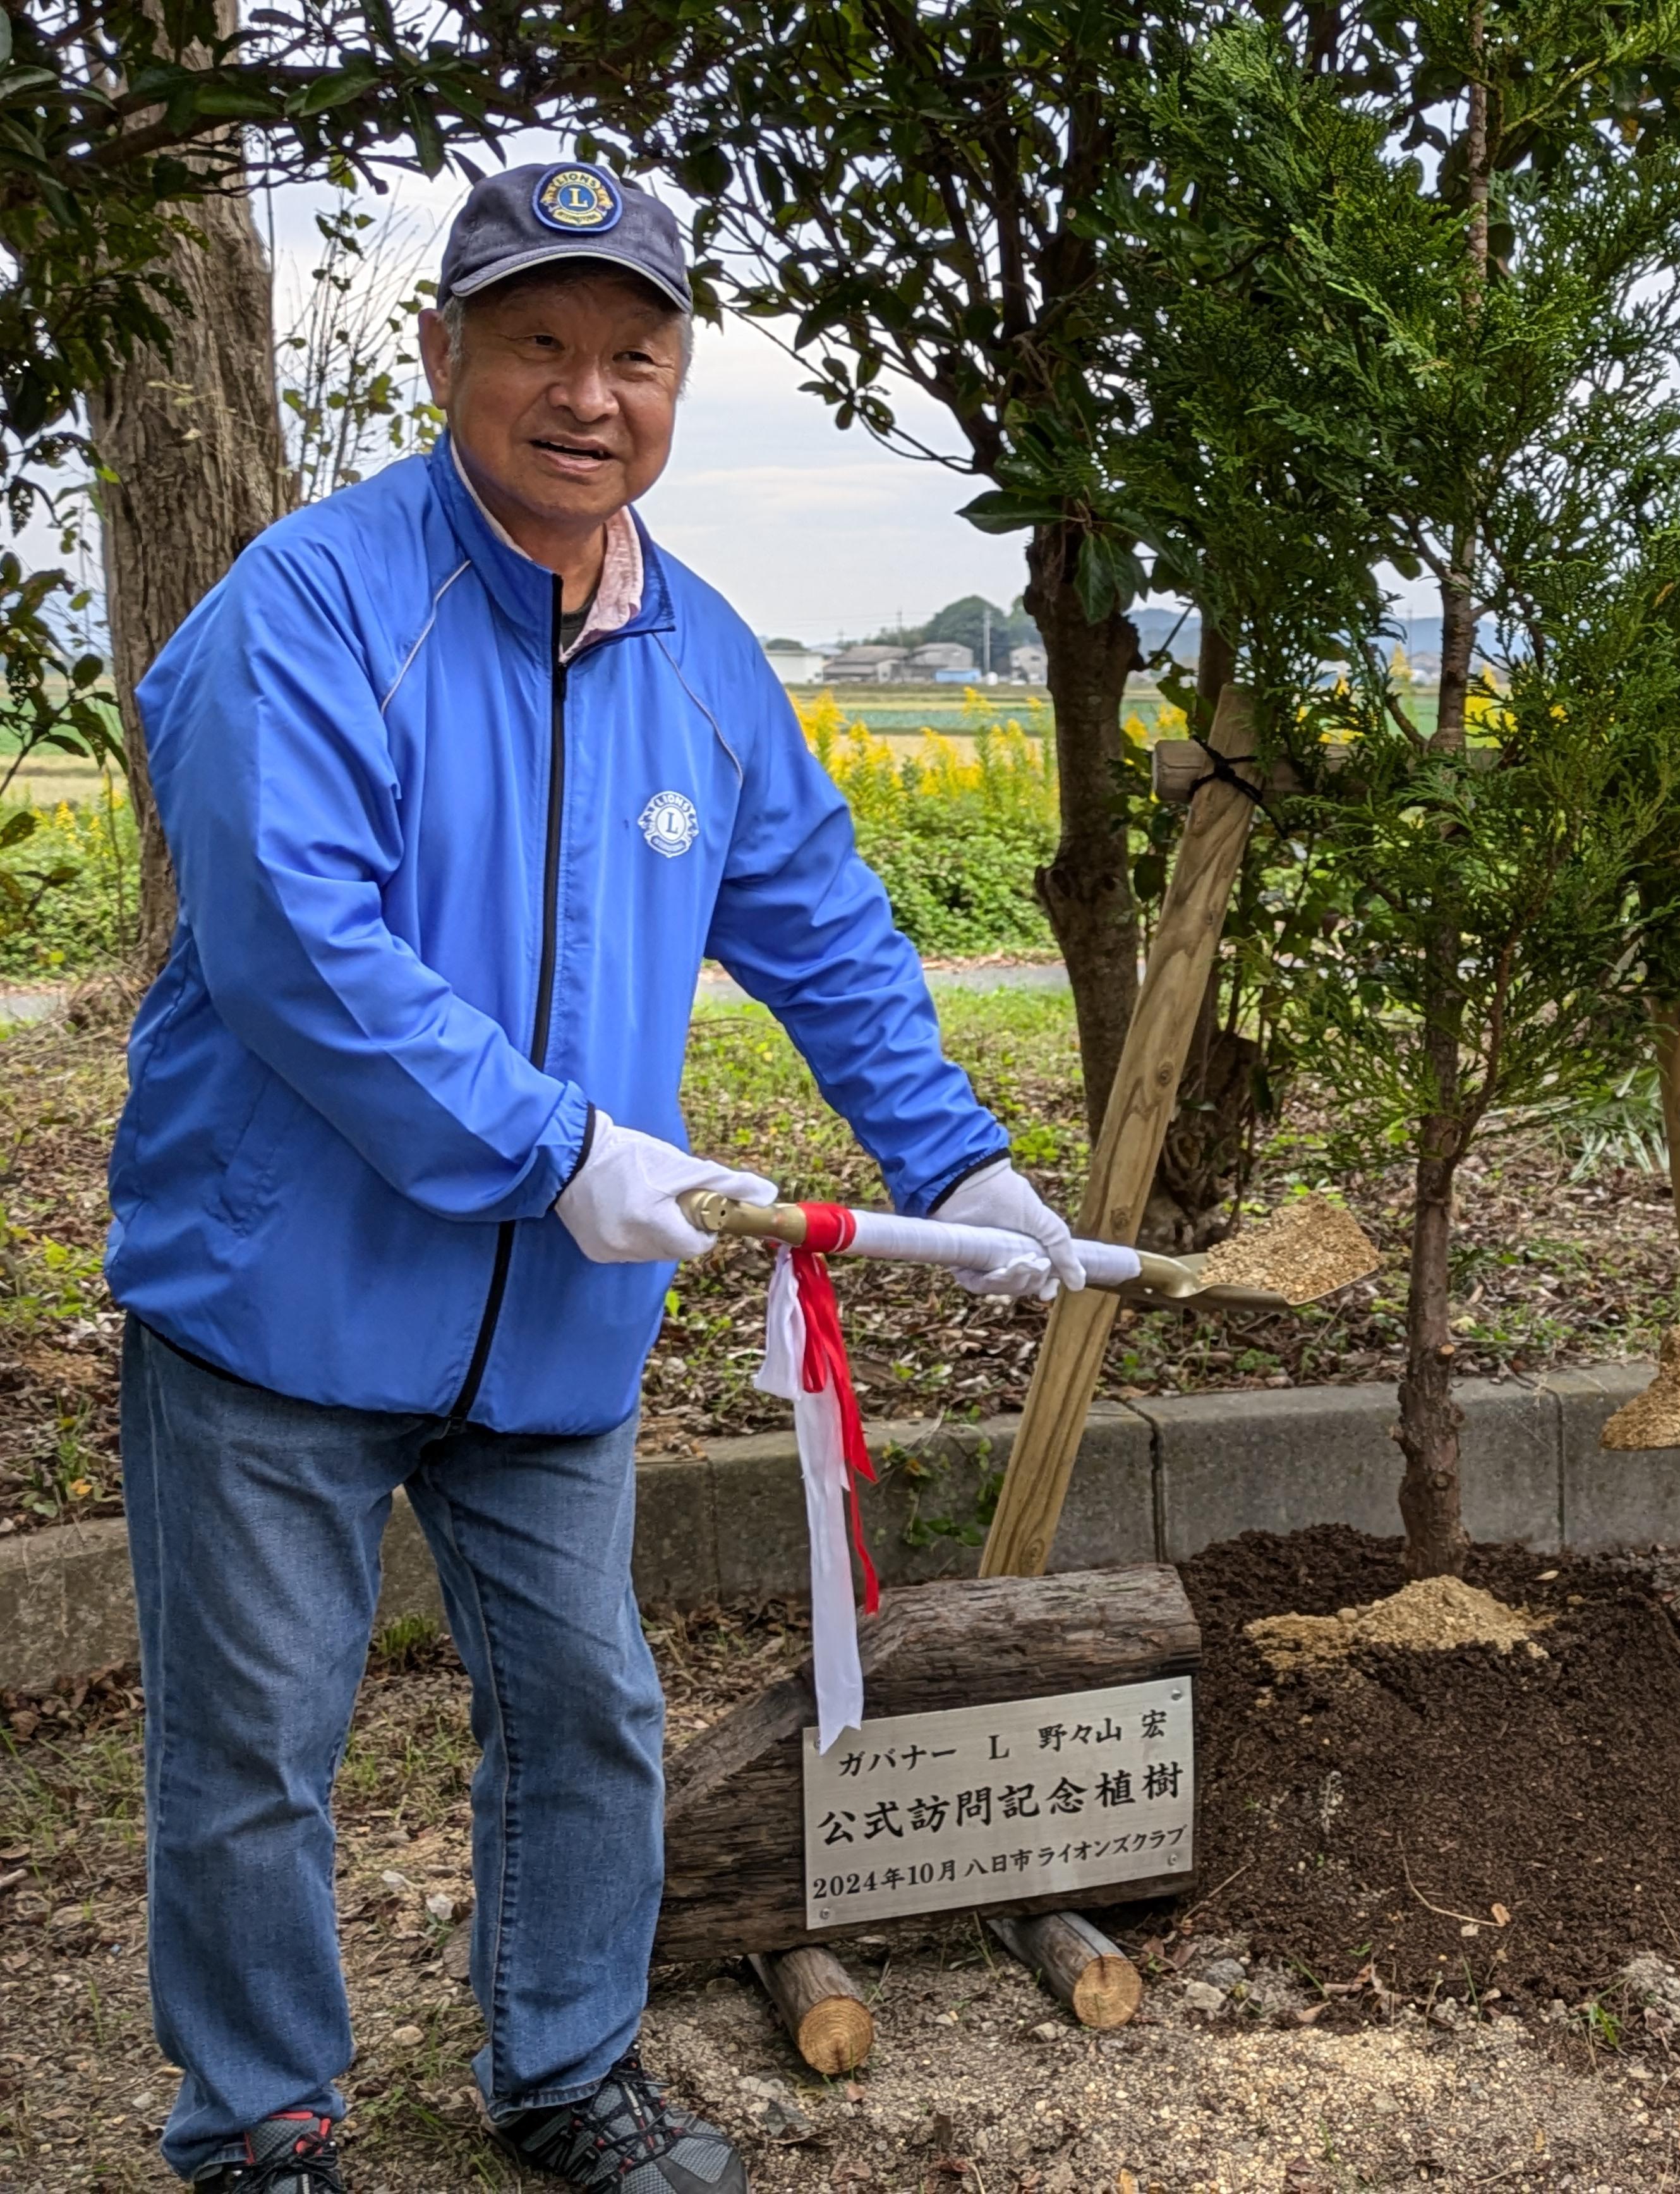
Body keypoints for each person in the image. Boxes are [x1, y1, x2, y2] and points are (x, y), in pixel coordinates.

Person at [111, 163, 1083, 2193]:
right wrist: (558, 1145)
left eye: (631, 353)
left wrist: (959, 1160)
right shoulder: (305, 607)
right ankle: (264, 2126)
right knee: (252, 1760)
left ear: (676, 383)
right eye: (538, 343)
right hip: (280, 1297)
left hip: (552, 1324)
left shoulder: (706, 657)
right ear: (448, 354)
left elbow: (817, 921)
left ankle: (560, 2076)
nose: (585, 392)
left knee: (585, 1714)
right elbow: (295, 947)